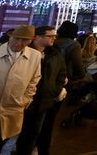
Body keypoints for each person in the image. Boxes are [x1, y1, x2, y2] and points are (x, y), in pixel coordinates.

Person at [0, 25, 42, 152]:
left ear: (31, 40)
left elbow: (34, 79)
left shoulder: (35, 56)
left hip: (13, 110)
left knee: (2, 142)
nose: (19, 43)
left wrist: (25, 100)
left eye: (25, 40)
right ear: (10, 37)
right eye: (17, 38)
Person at [16, 26, 67, 155]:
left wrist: (54, 90)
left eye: (54, 36)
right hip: (24, 99)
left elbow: (61, 73)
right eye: (50, 36)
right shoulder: (25, 52)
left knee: (35, 133)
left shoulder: (55, 53)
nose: (53, 39)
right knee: (18, 132)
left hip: (44, 100)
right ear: (38, 37)